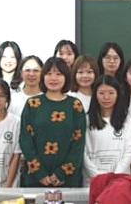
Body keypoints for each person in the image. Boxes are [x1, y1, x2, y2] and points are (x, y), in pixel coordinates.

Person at [19, 57, 86, 187]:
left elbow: (78, 144)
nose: (53, 78)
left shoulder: (75, 105)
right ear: (43, 77)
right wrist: (40, 173)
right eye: (49, 74)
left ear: (66, 77)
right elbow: (25, 140)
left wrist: (61, 173)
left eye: (59, 74)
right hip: (35, 178)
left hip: (67, 179)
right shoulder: (32, 104)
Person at [85, 76, 131, 182]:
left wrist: (115, 177)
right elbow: (83, 153)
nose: (106, 97)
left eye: (111, 93)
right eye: (101, 93)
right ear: (95, 95)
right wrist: (98, 177)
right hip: (93, 180)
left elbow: (129, 153)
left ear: (118, 94)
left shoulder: (129, 119)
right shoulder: (86, 120)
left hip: (120, 179)